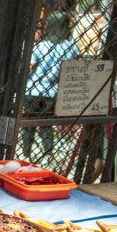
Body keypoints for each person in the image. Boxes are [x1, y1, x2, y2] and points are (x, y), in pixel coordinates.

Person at [21, 12, 78, 160]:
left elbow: (31, 68)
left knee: (28, 123)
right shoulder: (71, 47)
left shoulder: (40, 46)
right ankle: (48, 155)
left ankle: (25, 154)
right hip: (53, 91)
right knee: (46, 124)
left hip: (32, 89)